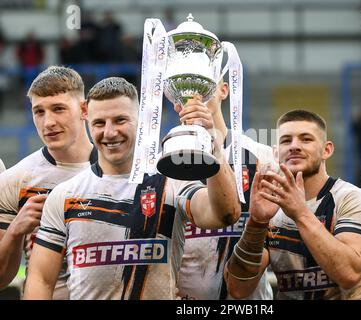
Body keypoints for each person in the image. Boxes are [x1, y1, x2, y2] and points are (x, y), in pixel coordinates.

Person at [23, 77, 241, 300]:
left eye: (120, 120)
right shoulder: (65, 195)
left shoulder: (171, 182)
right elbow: (41, 278)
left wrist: (213, 146)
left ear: (143, 122)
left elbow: (224, 214)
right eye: (99, 123)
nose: (109, 132)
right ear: (87, 121)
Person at [225, 109, 361, 300]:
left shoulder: (354, 199)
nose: (294, 146)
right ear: (275, 153)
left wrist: (300, 213)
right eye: (286, 141)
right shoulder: (271, 210)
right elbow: (238, 289)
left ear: (327, 150)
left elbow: (349, 275)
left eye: (306, 139)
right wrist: (256, 223)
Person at [0, 66, 97, 298]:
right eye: (39, 111)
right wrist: (15, 231)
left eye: (58, 109)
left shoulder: (121, 172)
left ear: (84, 109)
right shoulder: (15, 179)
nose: (48, 122)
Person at [176, 81, 274, 300]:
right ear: (176, 103)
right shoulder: (163, 164)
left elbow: (278, 242)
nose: (195, 99)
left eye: (203, 87)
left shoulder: (263, 157)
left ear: (223, 90)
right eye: (186, 92)